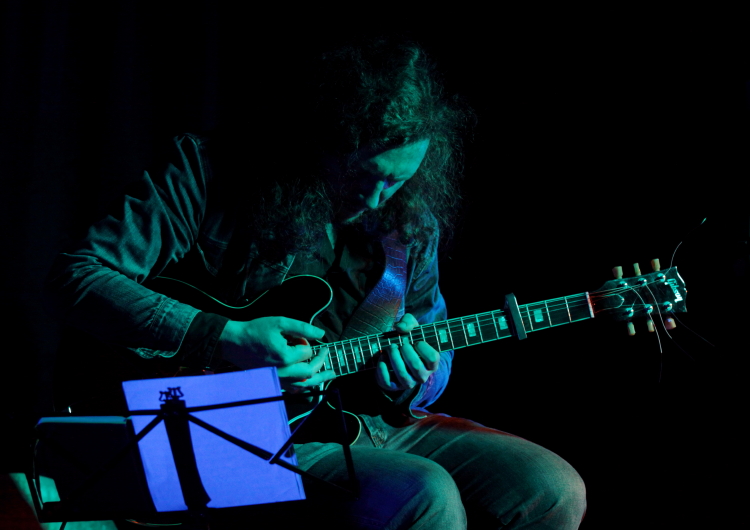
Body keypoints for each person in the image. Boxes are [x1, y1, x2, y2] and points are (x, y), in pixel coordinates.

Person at [45, 36, 586, 529]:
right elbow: (77, 277)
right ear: (316, 139)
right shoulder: (209, 171)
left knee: (550, 488)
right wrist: (223, 335)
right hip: (233, 426)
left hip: (369, 421)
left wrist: (413, 376)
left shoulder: (413, 222)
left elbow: (435, 351)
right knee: (424, 494)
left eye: (396, 180)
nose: (374, 199)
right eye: (359, 175)